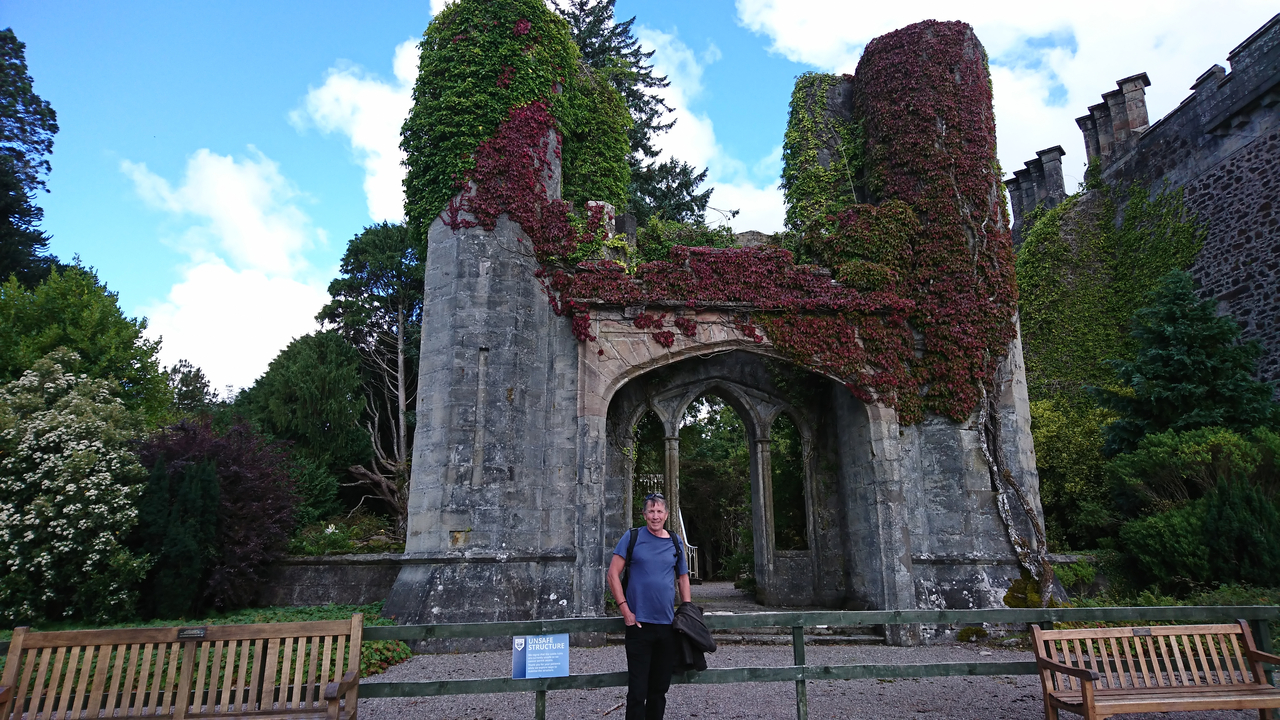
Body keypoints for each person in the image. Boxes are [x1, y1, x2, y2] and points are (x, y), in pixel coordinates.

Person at [606, 492, 691, 720]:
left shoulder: (675, 541)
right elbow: (613, 574)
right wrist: (625, 609)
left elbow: (683, 577)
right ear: (644, 515)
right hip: (639, 624)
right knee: (637, 691)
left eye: (659, 511)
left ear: (666, 515)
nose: (655, 516)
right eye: (651, 511)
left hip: (667, 626)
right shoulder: (632, 537)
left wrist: (688, 612)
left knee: (659, 690)